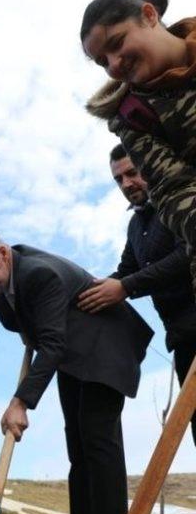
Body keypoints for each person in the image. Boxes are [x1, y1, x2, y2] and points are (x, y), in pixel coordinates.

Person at [0, 227, 153, 514]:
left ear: (3, 253)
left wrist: (20, 402)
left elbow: (51, 345)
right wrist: (29, 330)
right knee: (77, 445)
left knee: (97, 438)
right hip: (73, 354)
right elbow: (27, 329)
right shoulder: (1, 291)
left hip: (105, 346)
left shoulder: (37, 274)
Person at [78, 145, 196, 444]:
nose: (127, 183)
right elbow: (126, 270)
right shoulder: (136, 226)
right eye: (119, 179)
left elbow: (188, 254)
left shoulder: (180, 201)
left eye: (133, 173)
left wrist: (126, 287)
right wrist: (81, 290)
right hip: (182, 340)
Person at [81, 0, 196, 291]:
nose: (114, 65)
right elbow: (175, 192)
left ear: (148, 15)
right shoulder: (134, 117)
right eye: (103, 62)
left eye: (117, 44)